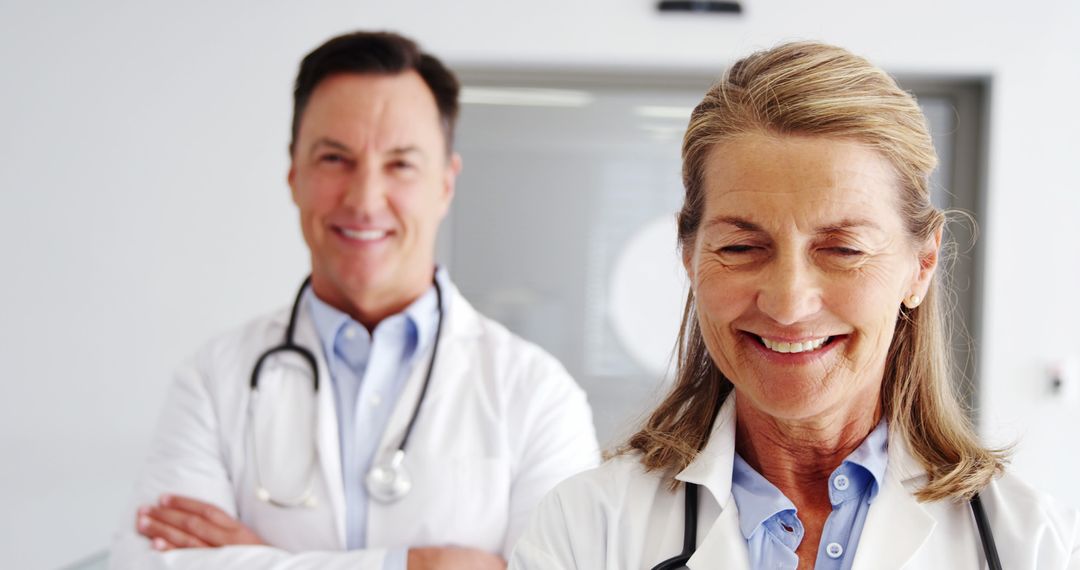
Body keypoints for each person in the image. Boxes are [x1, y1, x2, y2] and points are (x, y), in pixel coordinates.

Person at [510, 42, 1080, 569]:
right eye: (741, 247)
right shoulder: (587, 528)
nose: (787, 303)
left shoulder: (1025, 542)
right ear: (689, 256)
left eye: (843, 249)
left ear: (921, 265)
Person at [109, 30, 599, 570]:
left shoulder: (538, 396)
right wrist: (415, 565)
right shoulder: (213, 381)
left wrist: (257, 559)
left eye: (400, 165)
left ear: (445, 183)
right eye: (335, 158)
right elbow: (144, 564)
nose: (364, 200)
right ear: (294, 172)